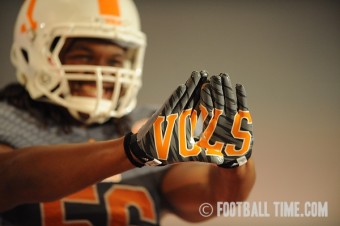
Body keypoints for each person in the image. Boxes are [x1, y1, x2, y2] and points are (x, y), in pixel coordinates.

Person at [0, 0, 256, 225]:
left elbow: (212, 197)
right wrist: (130, 151)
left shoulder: (146, 124)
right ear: (34, 53)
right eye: (84, 57)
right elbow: (9, 179)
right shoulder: (8, 119)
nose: (103, 72)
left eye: (114, 61)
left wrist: (234, 165)